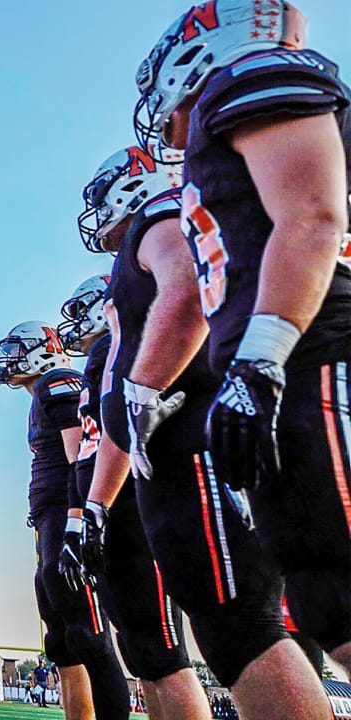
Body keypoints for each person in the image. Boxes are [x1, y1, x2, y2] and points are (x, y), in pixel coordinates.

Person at [135, 0, 351, 685]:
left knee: (342, 594)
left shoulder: (249, 74)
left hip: (309, 358)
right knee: (328, 599)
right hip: (296, 362)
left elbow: (313, 215)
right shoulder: (238, 102)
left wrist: (259, 360)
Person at [61, 152, 213, 720]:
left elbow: (107, 433)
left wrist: (93, 508)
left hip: (163, 473)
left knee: (201, 638)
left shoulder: (160, 223)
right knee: (149, 649)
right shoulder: (105, 341)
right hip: (133, 491)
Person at [0, 324, 130, 720]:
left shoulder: (58, 381)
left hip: (65, 519)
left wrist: (76, 521)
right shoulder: (45, 390)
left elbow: (81, 457)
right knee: (64, 644)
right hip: (48, 523)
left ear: (43, 350)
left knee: (90, 636)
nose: (12, 359)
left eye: (19, 349)